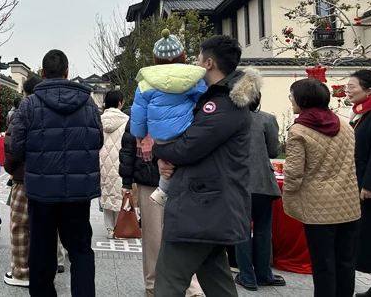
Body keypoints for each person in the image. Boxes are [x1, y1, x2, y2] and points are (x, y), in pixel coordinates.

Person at [152, 35, 261, 297]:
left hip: (202, 206)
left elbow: (188, 147)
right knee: (217, 280)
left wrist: (156, 149)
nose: (197, 64)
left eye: (199, 59)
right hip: (211, 205)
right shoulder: (222, 99)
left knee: (169, 280)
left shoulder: (222, 103)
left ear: (209, 63)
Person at [12, 49, 103, 297]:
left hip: (41, 192)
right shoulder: (88, 103)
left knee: (41, 249)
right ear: (67, 72)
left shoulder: (29, 104)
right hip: (78, 192)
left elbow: (17, 145)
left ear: (42, 73)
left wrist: (36, 162)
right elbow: (98, 140)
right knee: (80, 250)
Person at [284, 78, 360, 297]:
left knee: (323, 264)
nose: (291, 100)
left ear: (303, 100)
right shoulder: (345, 125)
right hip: (349, 204)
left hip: (318, 207)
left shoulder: (299, 130)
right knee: (346, 262)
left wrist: (289, 198)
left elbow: (294, 173)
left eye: (292, 96)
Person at [119, 110, 205, 297]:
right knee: (153, 235)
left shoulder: (185, 106)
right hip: (148, 178)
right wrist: (126, 182)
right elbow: (128, 147)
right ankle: (153, 282)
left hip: (181, 178)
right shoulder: (141, 111)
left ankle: (191, 285)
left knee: (184, 233)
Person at [130, 28, 207, 208]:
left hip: (160, 137)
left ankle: (164, 191)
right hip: (186, 132)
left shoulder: (146, 81)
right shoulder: (193, 77)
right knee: (181, 162)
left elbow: (139, 113)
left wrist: (139, 135)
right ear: (181, 55)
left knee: (166, 163)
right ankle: (170, 193)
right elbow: (203, 101)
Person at [3, 76, 67, 287]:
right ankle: (50, 267)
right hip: (52, 178)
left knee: (20, 226)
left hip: (24, 178)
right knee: (49, 226)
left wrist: (11, 170)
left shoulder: (23, 111)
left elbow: (12, 147)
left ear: (25, 93)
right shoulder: (57, 111)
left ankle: (22, 272)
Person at [234, 94, 286, 291]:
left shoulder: (229, 119)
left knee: (242, 231)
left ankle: (247, 277)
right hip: (263, 182)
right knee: (264, 229)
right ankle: (264, 274)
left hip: (238, 182)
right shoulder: (267, 119)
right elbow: (274, 151)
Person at [346, 70, 371, 297]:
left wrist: (370, 184)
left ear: (368, 90)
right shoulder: (363, 113)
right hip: (360, 179)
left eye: (352, 86)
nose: (348, 90)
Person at [99, 90, 129, 239]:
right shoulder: (127, 120)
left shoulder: (99, 120)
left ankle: (109, 229)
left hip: (102, 162)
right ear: (119, 103)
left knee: (106, 194)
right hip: (121, 161)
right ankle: (119, 228)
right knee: (119, 194)